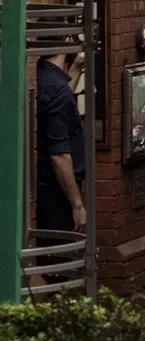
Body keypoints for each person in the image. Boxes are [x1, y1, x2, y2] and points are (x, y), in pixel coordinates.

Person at [34, 53, 87, 235]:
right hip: (57, 193)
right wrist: (77, 205)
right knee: (60, 249)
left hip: (41, 187)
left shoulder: (38, 76)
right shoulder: (56, 88)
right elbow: (59, 155)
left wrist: (76, 67)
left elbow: (59, 105)